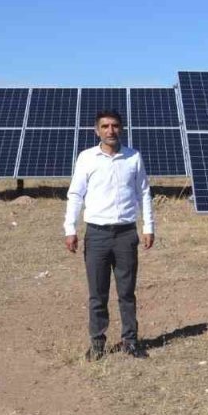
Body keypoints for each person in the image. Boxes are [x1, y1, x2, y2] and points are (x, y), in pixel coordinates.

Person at [64, 109, 155, 361]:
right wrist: (70, 229)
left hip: (126, 234)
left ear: (121, 128)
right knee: (98, 293)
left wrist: (148, 226)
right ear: (97, 131)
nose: (110, 130)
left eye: (115, 126)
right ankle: (97, 343)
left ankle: (130, 341)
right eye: (105, 126)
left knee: (127, 291)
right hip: (97, 235)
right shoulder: (86, 158)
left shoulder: (133, 157)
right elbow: (75, 195)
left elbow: (144, 193)